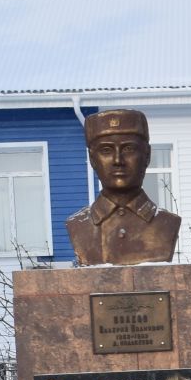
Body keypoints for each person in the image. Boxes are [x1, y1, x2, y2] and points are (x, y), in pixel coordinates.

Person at [65, 108, 181, 266]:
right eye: (106, 150)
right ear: (92, 159)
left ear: (146, 155)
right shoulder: (77, 225)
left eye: (128, 149)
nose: (118, 160)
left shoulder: (167, 224)